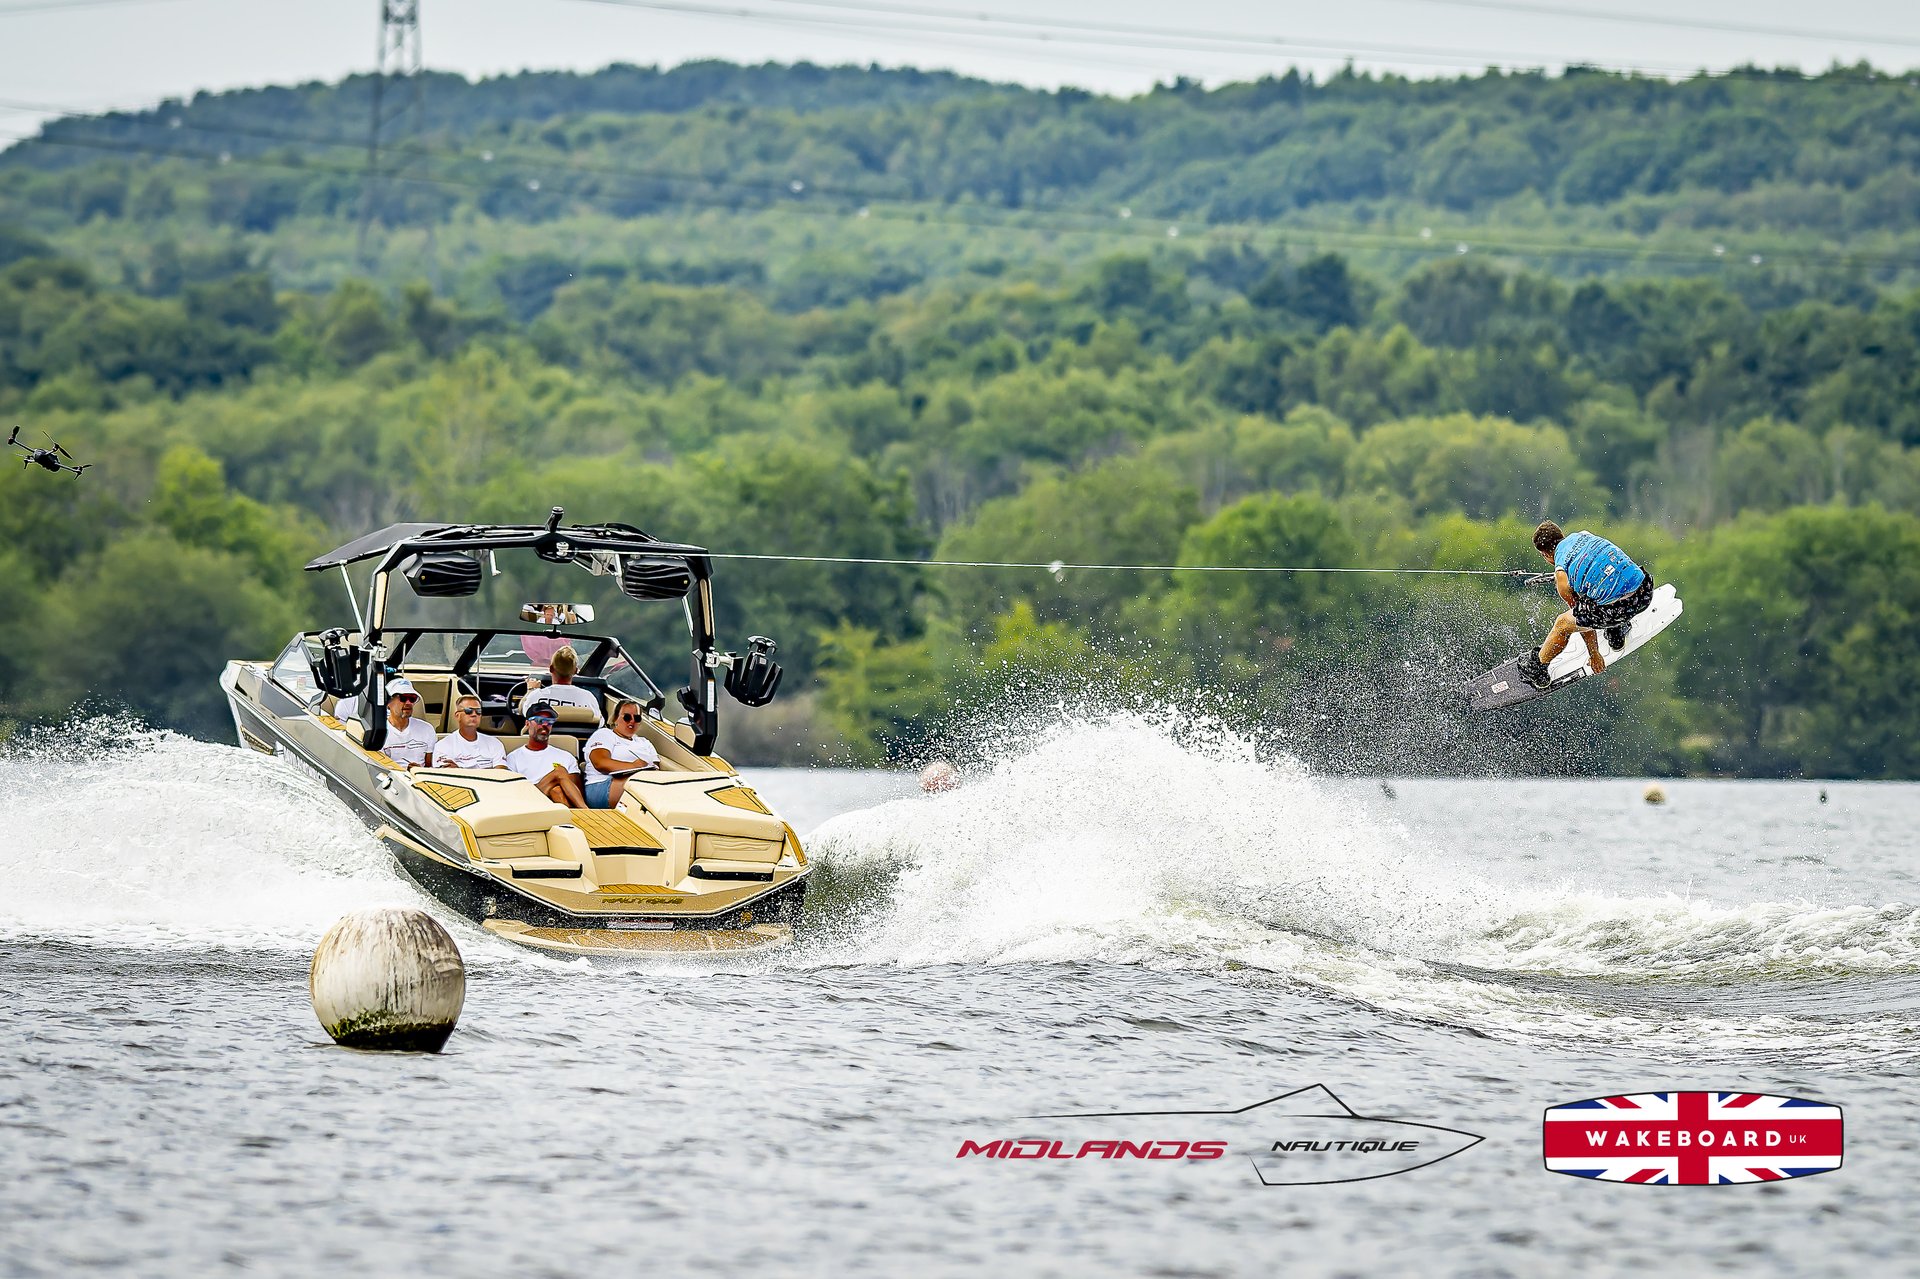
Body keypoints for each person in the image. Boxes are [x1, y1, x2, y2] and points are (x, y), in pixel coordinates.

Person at [1519, 521, 1654, 689]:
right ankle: (1616, 635)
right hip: (1644, 591)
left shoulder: (1562, 578)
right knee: (1602, 591)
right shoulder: (1584, 535)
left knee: (1563, 624)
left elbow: (1583, 620)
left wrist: (1594, 653)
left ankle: (1536, 669)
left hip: (1619, 610)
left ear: (1545, 554)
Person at [581, 698, 659, 809]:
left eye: (636, 718)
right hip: (602, 783)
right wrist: (634, 766)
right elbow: (600, 762)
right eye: (627, 717)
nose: (632, 721)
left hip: (641, 783)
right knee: (636, 785)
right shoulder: (605, 734)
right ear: (615, 719)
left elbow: (656, 768)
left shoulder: (645, 742)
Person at [504, 706, 588, 807]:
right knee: (559, 772)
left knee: (556, 790)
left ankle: (573, 819)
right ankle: (587, 813)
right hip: (528, 804)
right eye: (540, 720)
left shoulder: (566, 756)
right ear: (527, 723)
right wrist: (551, 780)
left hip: (560, 805)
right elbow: (512, 793)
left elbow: (577, 792)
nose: (545, 724)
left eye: (549, 721)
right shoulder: (513, 758)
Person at [519, 643, 603, 726]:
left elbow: (522, 710)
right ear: (575, 671)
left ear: (551, 668)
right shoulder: (588, 697)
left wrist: (531, 690)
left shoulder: (536, 696)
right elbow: (599, 722)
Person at [434, 695, 509, 770]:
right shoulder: (443, 745)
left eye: (478, 711)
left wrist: (460, 770)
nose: (474, 714)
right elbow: (447, 774)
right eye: (469, 711)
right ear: (457, 716)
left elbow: (500, 773)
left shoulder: (495, 743)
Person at [377, 678, 439, 767]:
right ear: (388, 703)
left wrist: (418, 771)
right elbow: (380, 767)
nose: (409, 703)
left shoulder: (427, 729)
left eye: (412, 699)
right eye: (403, 698)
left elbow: (430, 766)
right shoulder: (378, 732)